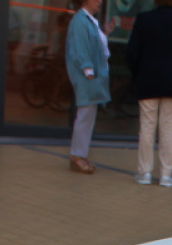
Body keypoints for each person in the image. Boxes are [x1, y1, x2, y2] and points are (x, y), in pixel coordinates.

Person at [126, 0, 172, 187]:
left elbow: (132, 53)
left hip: (148, 80)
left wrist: (137, 73)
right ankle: (166, 175)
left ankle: (145, 173)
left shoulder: (144, 19)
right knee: (168, 128)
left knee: (147, 127)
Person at [65, 0, 113, 174]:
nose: (100, 1)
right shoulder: (80, 21)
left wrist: (105, 34)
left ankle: (81, 155)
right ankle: (77, 156)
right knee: (85, 115)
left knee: (88, 115)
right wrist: (87, 69)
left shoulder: (90, 21)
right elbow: (80, 48)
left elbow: (95, 46)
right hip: (87, 75)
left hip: (91, 75)